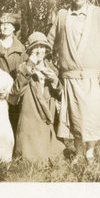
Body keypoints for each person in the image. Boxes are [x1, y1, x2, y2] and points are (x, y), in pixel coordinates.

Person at [47, 0, 100, 162]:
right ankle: (79, 152)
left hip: (93, 77)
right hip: (70, 78)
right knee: (75, 116)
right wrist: (51, 67)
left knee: (93, 115)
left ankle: (90, 152)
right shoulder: (63, 15)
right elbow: (49, 42)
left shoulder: (97, 13)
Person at [9, 32, 65, 163]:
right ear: (29, 51)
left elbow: (61, 95)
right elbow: (15, 92)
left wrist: (55, 81)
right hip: (30, 119)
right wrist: (29, 67)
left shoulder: (53, 69)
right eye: (35, 47)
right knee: (31, 160)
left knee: (54, 158)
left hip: (48, 119)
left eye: (42, 46)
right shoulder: (22, 68)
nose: (39, 50)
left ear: (46, 49)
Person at [0, 13, 27, 137]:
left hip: (13, 90)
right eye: (2, 24)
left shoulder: (21, 48)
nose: (5, 27)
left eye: (8, 24)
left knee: (14, 118)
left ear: (14, 28)